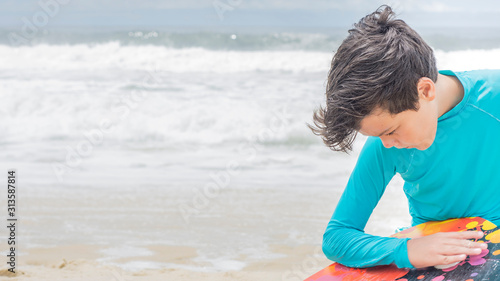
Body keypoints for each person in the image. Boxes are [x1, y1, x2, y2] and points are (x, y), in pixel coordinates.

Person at [309, 5, 500, 269]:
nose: (386, 143)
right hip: (438, 264)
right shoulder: (383, 144)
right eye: (377, 135)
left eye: (390, 131)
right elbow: (338, 237)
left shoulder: (494, 99)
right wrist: (406, 250)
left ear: (425, 90)